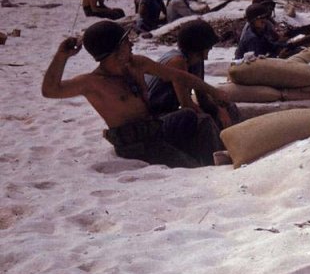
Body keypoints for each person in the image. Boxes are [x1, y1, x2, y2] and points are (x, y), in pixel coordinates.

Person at [41, 20, 232, 168]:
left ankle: (216, 160)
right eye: (125, 41)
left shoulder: (137, 64)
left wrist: (213, 91)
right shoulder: (92, 83)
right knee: (190, 166)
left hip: (155, 128)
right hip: (135, 145)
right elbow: (50, 90)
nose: (131, 44)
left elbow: (179, 76)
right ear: (114, 50)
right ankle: (211, 166)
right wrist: (62, 56)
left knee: (196, 119)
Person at [146, 19, 240, 130]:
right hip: (154, 117)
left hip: (169, 113)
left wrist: (219, 109)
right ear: (198, 49)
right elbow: (186, 103)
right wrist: (210, 119)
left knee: (229, 108)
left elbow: (202, 98)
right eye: (207, 50)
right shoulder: (177, 61)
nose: (207, 57)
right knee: (201, 120)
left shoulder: (196, 61)